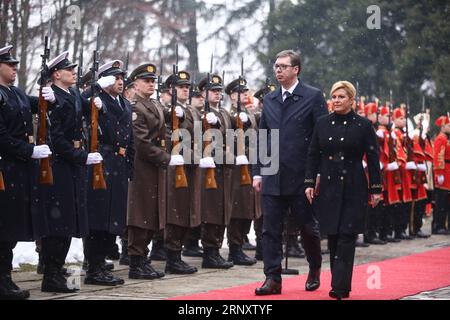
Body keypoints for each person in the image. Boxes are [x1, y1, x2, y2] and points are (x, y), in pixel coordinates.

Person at [253, 50, 325, 296]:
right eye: (276, 66)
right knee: (270, 229)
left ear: (296, 70)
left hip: (301, 175)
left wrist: (317, 173)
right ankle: (272, 278)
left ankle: (314, 267)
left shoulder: (313, 96)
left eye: (283, 66)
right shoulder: (271, 99)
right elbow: (263, 138)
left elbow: (321, 138)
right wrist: (258, 172)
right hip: (273, 174)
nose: (278, 70)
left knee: (307, 227)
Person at [304, 80, 382, 299]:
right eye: (334, 97)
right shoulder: (322, 123)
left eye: (341, 97)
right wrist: (309, 182)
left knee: (348, 235)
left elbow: (373, 158)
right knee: (334, 235)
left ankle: (339, 286)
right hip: (329, 186)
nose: (336, 101)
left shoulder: (364, 125)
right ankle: (339, 282)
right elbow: (312, 155)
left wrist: (376, 188)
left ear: (351, 100)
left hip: (354, 186)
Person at [36, 51, 104, 293]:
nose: (74, 72)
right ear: (56, 74)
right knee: (59, 225)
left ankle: (55, 272)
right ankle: (51, 275)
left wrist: (93, 104)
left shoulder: (72, 93)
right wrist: (82, 156)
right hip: (61, 167)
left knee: (67, 224)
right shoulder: (54, 98)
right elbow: (57, 140)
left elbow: (82, 110)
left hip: (72, 167)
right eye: (68, 70)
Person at [0, 45, 53, 299]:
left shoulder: (16, 93)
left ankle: (5, 278)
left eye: (15, 64)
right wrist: (28, 150)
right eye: (9, 64)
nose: (14, 68)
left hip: (17, 171)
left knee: (9, 228)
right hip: (4, 169)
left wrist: (48, 97)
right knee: (2, 227)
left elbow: (38, 106)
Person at [82, 60, 134, 286]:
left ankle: (101, 264)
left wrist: (129, 166)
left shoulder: (125, 103)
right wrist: (94, 88)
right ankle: (93, 267)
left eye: (122, 78)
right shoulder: (95, 99)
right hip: (101, 162)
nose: (121, 82)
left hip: (119, 164)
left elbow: (129, 137)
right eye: (115, 78)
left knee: (114, 217)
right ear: (104, 80)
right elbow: (77, 104)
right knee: (98, 217)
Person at [126, 63, 167, 280]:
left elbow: (163, 134)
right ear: (135, 84)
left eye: (153, 81)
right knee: (140, 214)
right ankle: (136, 262)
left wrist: (170, 151)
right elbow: (141, 142)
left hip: (154, 166)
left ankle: (144, 259)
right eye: (146, 81)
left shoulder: (154, 104)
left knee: (151, 213)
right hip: (141, 167)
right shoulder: (135, 107)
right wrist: (166, 157)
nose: (151, 84)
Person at [432, 116, 450, 234]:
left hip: (448, 171)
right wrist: (439, 173)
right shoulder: (441, 139)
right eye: (448, 125)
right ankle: (439, 225)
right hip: (443, 172)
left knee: (446, 201)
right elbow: (438, 156)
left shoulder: (446, 138)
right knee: (441, 201)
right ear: (443, 126)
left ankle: (444, 225)